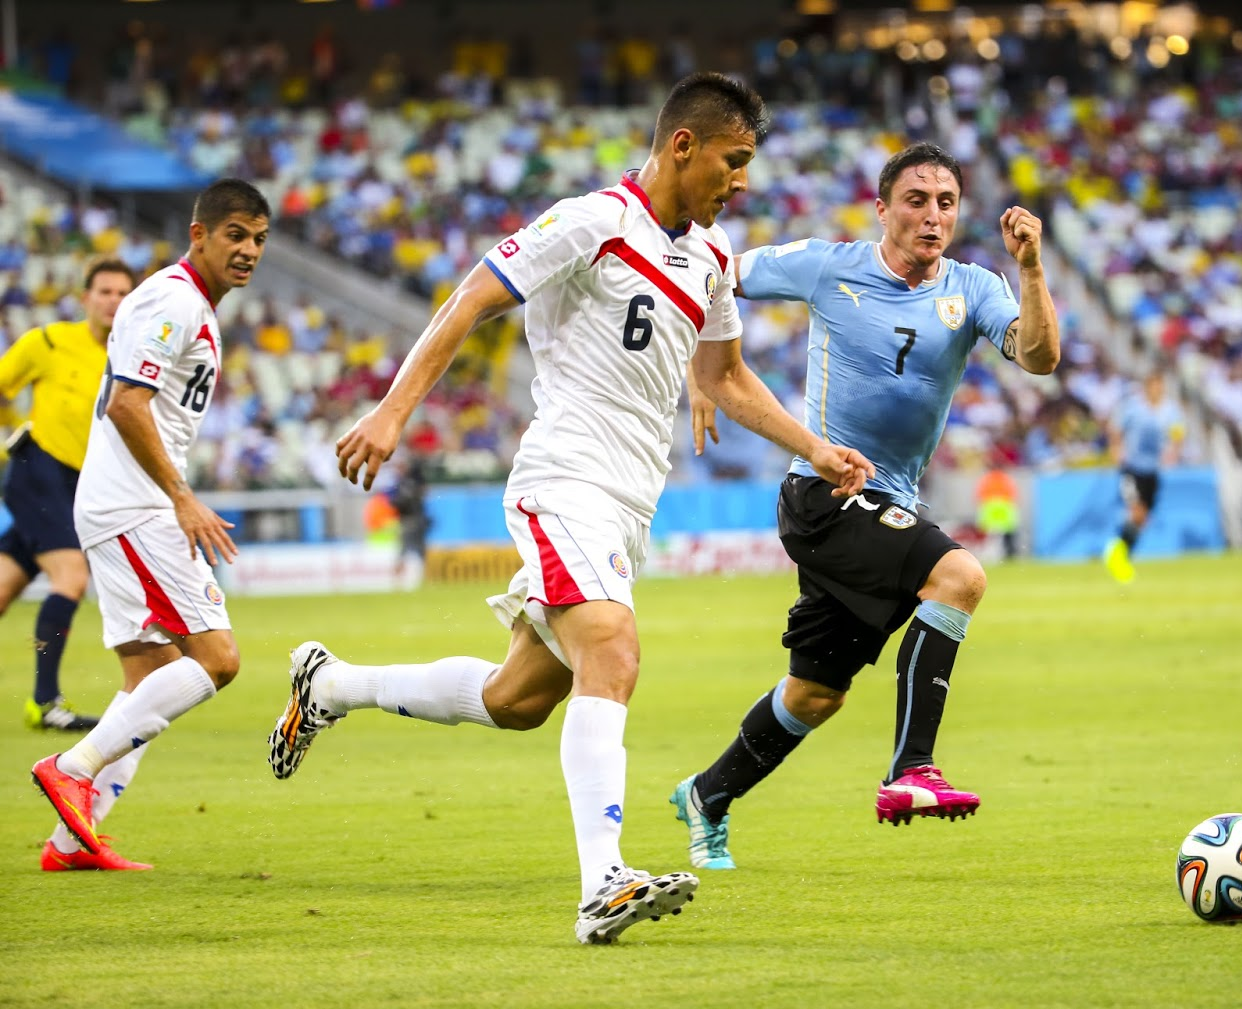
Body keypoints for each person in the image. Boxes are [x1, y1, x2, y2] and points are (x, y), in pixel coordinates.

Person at [265, 73, 872, 945]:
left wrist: (813, 446)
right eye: (732, 162)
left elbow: (724, 377)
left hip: (627, 504)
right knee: (613, 648)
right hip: (564, 480)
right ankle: (603, 882)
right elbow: (474, 296)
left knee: (517, 698)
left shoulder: (709, 257)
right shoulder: (592, 222)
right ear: (683, 146)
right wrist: (394, 409)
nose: (740, 182)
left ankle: (330, 683)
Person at [669, 142, 1059, 870]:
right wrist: (704, 367)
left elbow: (1038, 357)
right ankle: (912, 768)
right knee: (960, 576)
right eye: (916, 200)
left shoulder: (975, 287)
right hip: (822, 493)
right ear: (882, 210)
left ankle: (706, 794)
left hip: (889, 499)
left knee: (816, 694)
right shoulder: (829, 265)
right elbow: (713, 273)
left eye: (946, 202)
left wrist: (1032, 270)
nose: (932, 215)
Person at [29, 179, 271, 871]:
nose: (248, 250)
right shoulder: (171, 299)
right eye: (234, 234)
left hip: (121, 503)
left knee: (150, 678)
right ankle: (73, 764)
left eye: (257, 238)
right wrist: (182, 496)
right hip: (137, 506)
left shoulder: (192, 304)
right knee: (216, 659)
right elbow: (128, 406)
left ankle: (73, 838)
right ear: (199, 234)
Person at [0, 258, 135, 731]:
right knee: (72, 576)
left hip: (83, 485)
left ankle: (44, 702)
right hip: (38, 469)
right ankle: (44, 702)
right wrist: (9, 437)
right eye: (104, 291)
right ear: (86, 298)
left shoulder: (130, 359)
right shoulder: (49, 341)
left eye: (122, 293)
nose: (113, 301)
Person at [1102, 371, 1184, 584]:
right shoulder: (1133, 407)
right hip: (1132, 469)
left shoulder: (1169, 410)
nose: (1158, 391)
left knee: (1143, 518)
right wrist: (1116, 448)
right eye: (1155, 386)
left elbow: (1177, 432)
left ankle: (1120, 553)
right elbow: (1115, 428)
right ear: (1147, 387)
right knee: (1137, 512)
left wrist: (1174, 449)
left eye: (1161, 387)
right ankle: (1116, 554)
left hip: (1152, 471)